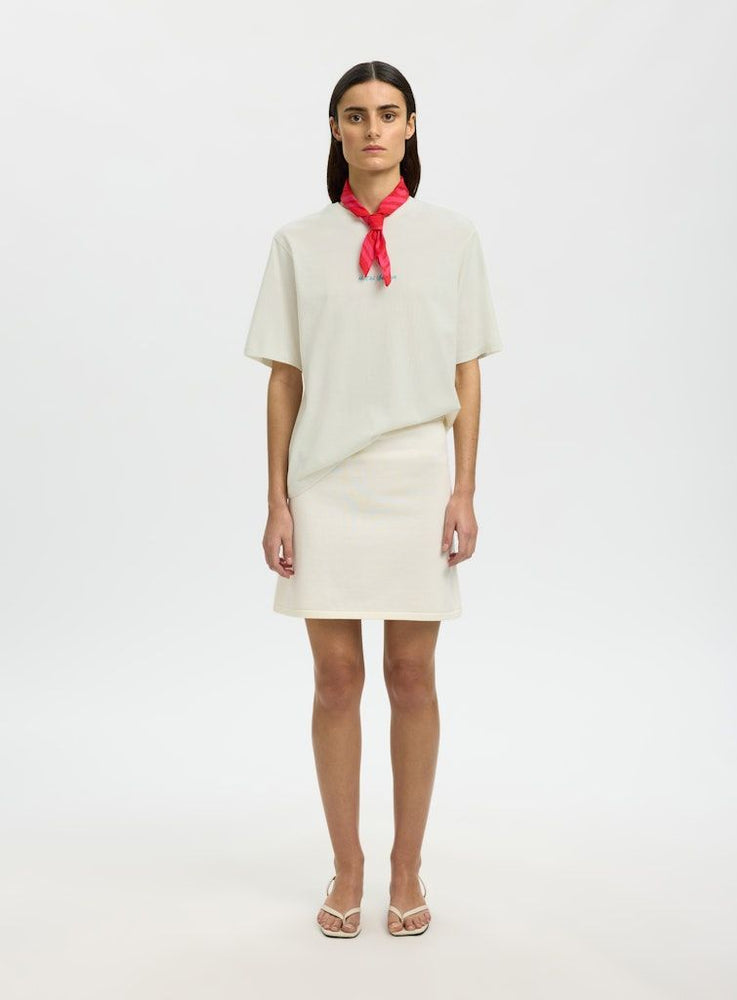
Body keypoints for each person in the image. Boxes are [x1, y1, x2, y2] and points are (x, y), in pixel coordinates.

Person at [243, 60, 503, 938]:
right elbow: (284, 378)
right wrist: (277, 500)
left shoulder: (453, 237)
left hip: (417, 475)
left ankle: (408, 866)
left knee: (411, 676)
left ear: (412, 126)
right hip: (324, 481)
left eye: (388, 114)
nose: (373, 130)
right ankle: (347, 864)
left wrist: (464, 488)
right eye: (355, 116)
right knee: (335, 679)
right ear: (335, 131)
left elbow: (467, 372)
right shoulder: (297, 243)